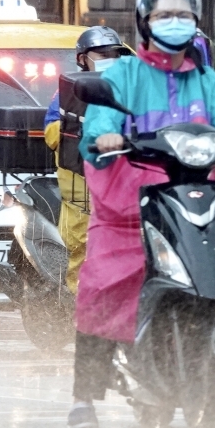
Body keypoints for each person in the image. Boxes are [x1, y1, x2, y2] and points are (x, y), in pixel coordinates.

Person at [66, 0, 215, 428]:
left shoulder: (205, 80)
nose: (174, 23)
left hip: (200, 196)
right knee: (102, 283)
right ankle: (84, 395)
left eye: (183, 15)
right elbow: (97, 123)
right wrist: (104, 136)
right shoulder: (122, 76)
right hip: (131, 205)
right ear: (145, 22)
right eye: (165, 15)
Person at [44, 27, 133, 295]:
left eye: (115, 54)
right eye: (102, 54)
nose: (109, 58)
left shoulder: (131, 89)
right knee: (83, 252)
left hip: (125, 189)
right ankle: (81, 314)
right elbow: (51, 134)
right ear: (82, 59)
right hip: (82, 192)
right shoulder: (67, 94)